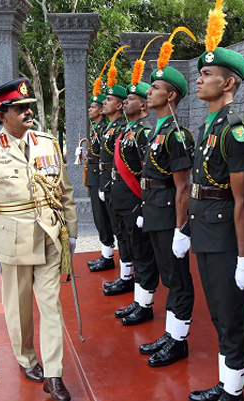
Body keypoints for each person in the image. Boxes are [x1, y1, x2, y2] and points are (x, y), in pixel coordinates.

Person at [0, 77, 78, 401]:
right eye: (20, 109)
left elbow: (65, 192)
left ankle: (54, 375)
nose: (28, 113)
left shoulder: (47, 142)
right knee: (18, 308)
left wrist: (70, 232)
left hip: (48, 237)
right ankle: (28, 359)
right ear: (2, 115)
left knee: (51, 305)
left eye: (29, 107)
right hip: (11, 241)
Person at [187, 0, 244, 401]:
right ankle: (225, 381)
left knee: (231, 313)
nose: (200, 78)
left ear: (228, 82)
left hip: (226, 236)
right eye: (201, 73)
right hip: (204, 230)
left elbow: (243, 201)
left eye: (208, 74)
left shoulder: (235, 131)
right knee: (216, 310)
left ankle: (234, 395)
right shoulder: (207, 127)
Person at [137, 28, 197, 367]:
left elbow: (183, 185)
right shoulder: (157, 130)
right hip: (155, 210)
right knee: (166, 274)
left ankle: (179, 340)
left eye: (156, 88)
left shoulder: (175, 134)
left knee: (178, 278)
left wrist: (181, 228)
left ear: (171, 96)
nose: (149, 92)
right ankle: (171, 332)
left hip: (169, 212)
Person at [111, 78, 160, 326]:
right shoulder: (125, 131)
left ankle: (145, 304)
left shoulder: (144, 133)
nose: (125, 103)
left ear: (142, 106)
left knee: (143, 253)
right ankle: (138, 299)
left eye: (130, 100)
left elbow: (147, 172)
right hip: (120, 199)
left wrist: (143, 205)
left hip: (134, 200)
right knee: (129, 246)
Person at [100, 46, 135, 296]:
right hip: (111, 184)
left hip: (125, 188)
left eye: (109, 99)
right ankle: (125, 275)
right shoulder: (111, 129)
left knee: (128, 236)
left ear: (121, 104)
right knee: (119, 232)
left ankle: (129, 277)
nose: (104, 102)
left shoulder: (125, 128)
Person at [85, 79, 117, 272]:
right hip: (95, 176)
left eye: (94, 106)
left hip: (102, 177)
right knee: (99, 217)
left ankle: (108, 256)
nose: (91, 109)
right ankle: (105, 253)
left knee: (105, 218)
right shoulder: (97, 129)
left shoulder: (106, 129)